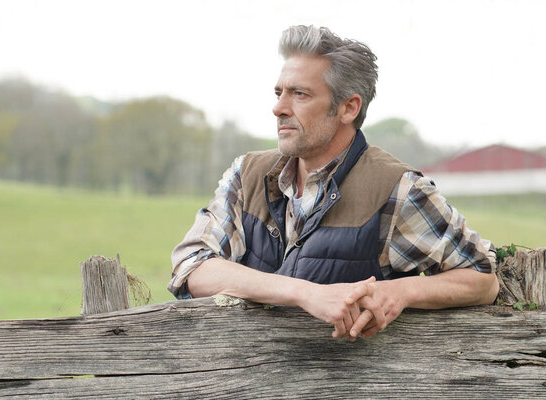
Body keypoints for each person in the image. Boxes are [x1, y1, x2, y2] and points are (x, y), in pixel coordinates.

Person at [169, 25, 499, 341]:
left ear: (348, 108)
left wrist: (400, 291)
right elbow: (192, 265)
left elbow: (483, 280)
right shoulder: (248, 173)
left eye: (299, 94)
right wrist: (305, 293)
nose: (278, 107)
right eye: (279, 92)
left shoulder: (396, 189)